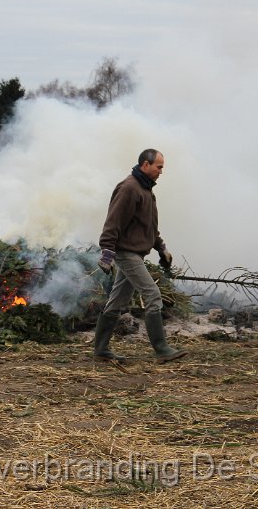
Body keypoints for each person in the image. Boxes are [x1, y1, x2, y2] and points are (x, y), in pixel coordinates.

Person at [94, 148, 187, 363]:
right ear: (146, 165)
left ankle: (100, 350)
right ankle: (162, 349)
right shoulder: (129, 188)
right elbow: (113, 222)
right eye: (159, 167)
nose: (161, 171)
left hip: (136, 253)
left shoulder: (146, 190)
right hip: (127, 254)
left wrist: (161, 248)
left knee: (116, 302)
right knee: (153, 295)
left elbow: (148, 228)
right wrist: (107, 252)